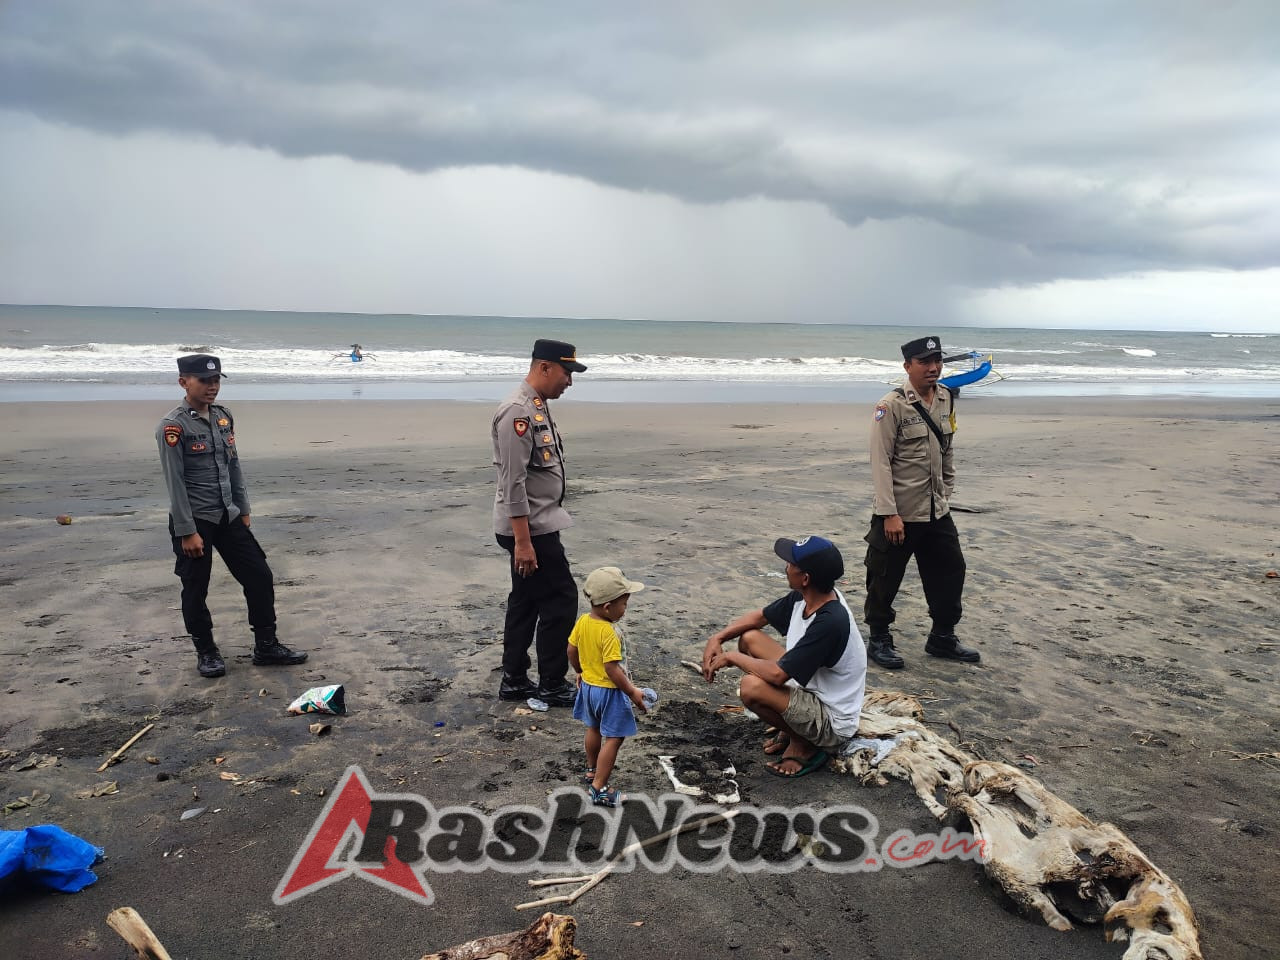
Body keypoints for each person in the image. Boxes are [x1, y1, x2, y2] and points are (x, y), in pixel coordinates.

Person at [156, 355, 308, 678]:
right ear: (184, 382)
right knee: (196, 587)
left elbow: (233, 466)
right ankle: (207, 652)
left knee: (259, 576)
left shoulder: (224, 418)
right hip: (196, 520)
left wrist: (244, 509)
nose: (212, 387)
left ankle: (266, 645)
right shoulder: (174, 426)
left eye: (216, 381)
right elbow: (175, 482)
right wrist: (186, 530)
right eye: (204, 381)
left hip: (228, 514)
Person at [701, 537, 866, 778]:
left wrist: (732, 658)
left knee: (751, 687)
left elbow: (778, 675)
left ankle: (805, 744)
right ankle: (792, 726)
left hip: (832, 719)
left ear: (805, 578)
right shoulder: (809, 595)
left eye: (790, 564)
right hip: (813, 686)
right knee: (750, 638)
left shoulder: (830, 621)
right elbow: (760, 617)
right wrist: (717, 638)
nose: (785, 567)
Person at [864, 335, 980, 669]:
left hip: (936, 510)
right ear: (907, 366)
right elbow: (880, 461)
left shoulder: (945, 398)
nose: (933, 368)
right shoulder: (891, 406)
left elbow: (948, 447)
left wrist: (947, 488)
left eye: (937, 361)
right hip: (900, 513)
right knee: (884, 576)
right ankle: (879, 639)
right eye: (924, 363)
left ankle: (942, 637)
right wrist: (888, 513)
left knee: (950, 570)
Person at [491, 339, 588, 707]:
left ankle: (514, 678)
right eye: (566, 373)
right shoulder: (517, 412)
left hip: (537, 523)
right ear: (545, 367)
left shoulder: (536, 406)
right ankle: (551, 682)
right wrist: (523, 542)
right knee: (561, 599)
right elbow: (512, 482)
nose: (569, 382)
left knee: (526, 600)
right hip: (530, 528)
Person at [568, 566, 649, 807]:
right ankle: (599, 787)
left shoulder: (583, 621)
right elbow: (612, 669)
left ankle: (591, 769)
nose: (625, 609)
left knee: (593, 727)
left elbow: (571, 650)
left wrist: (579, 671)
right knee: (614, 738)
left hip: (589, 688)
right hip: (609, 692)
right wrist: (633, 692)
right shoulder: (609, 632)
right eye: (624, 604)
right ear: (608, 607)